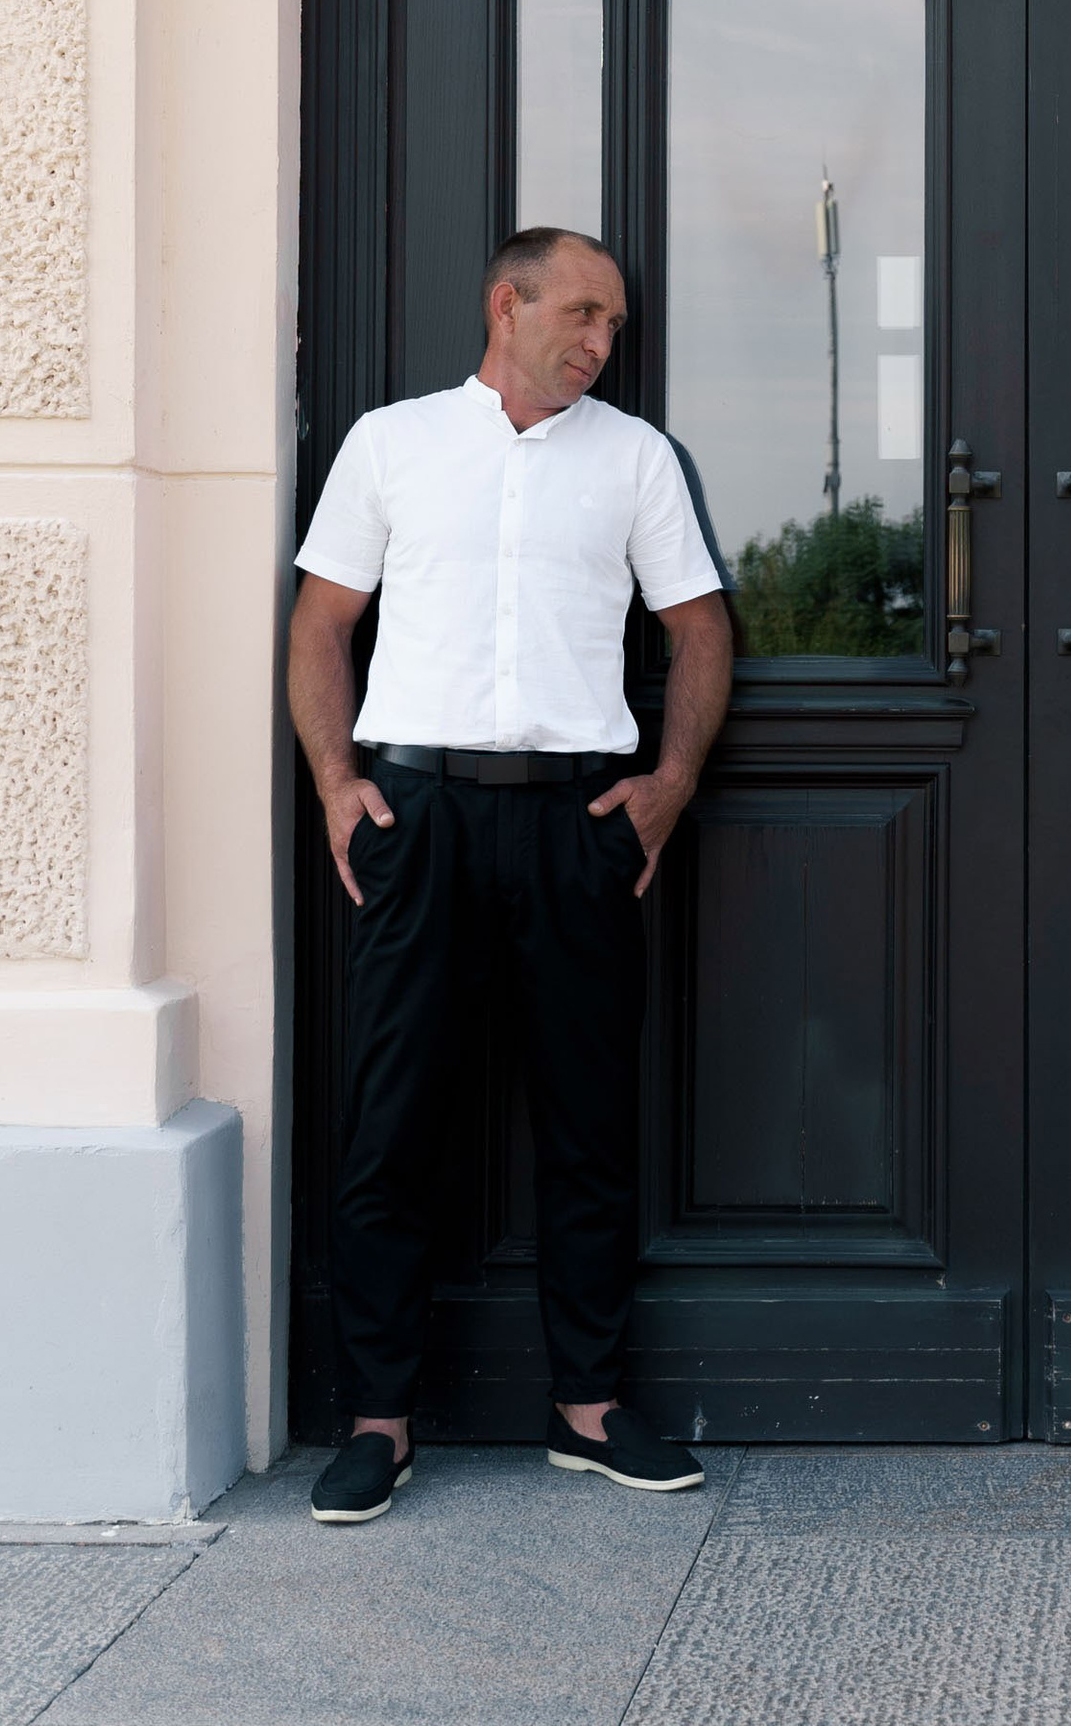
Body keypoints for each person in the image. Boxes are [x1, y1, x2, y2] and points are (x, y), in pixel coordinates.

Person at [288, 226, 735, 1525]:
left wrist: (668, 788)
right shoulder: (392, 444)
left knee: (589, 1128)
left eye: (613, 326)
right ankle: (377, 1420)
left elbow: (698, 632)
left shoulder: (636, 460)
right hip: (416, 815)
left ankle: (590, 1411)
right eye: (583, 315)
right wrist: (335, 785)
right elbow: (322, 623)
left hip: (574, 825)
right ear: (508, 303)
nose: (600, 343)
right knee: (390, 1125)